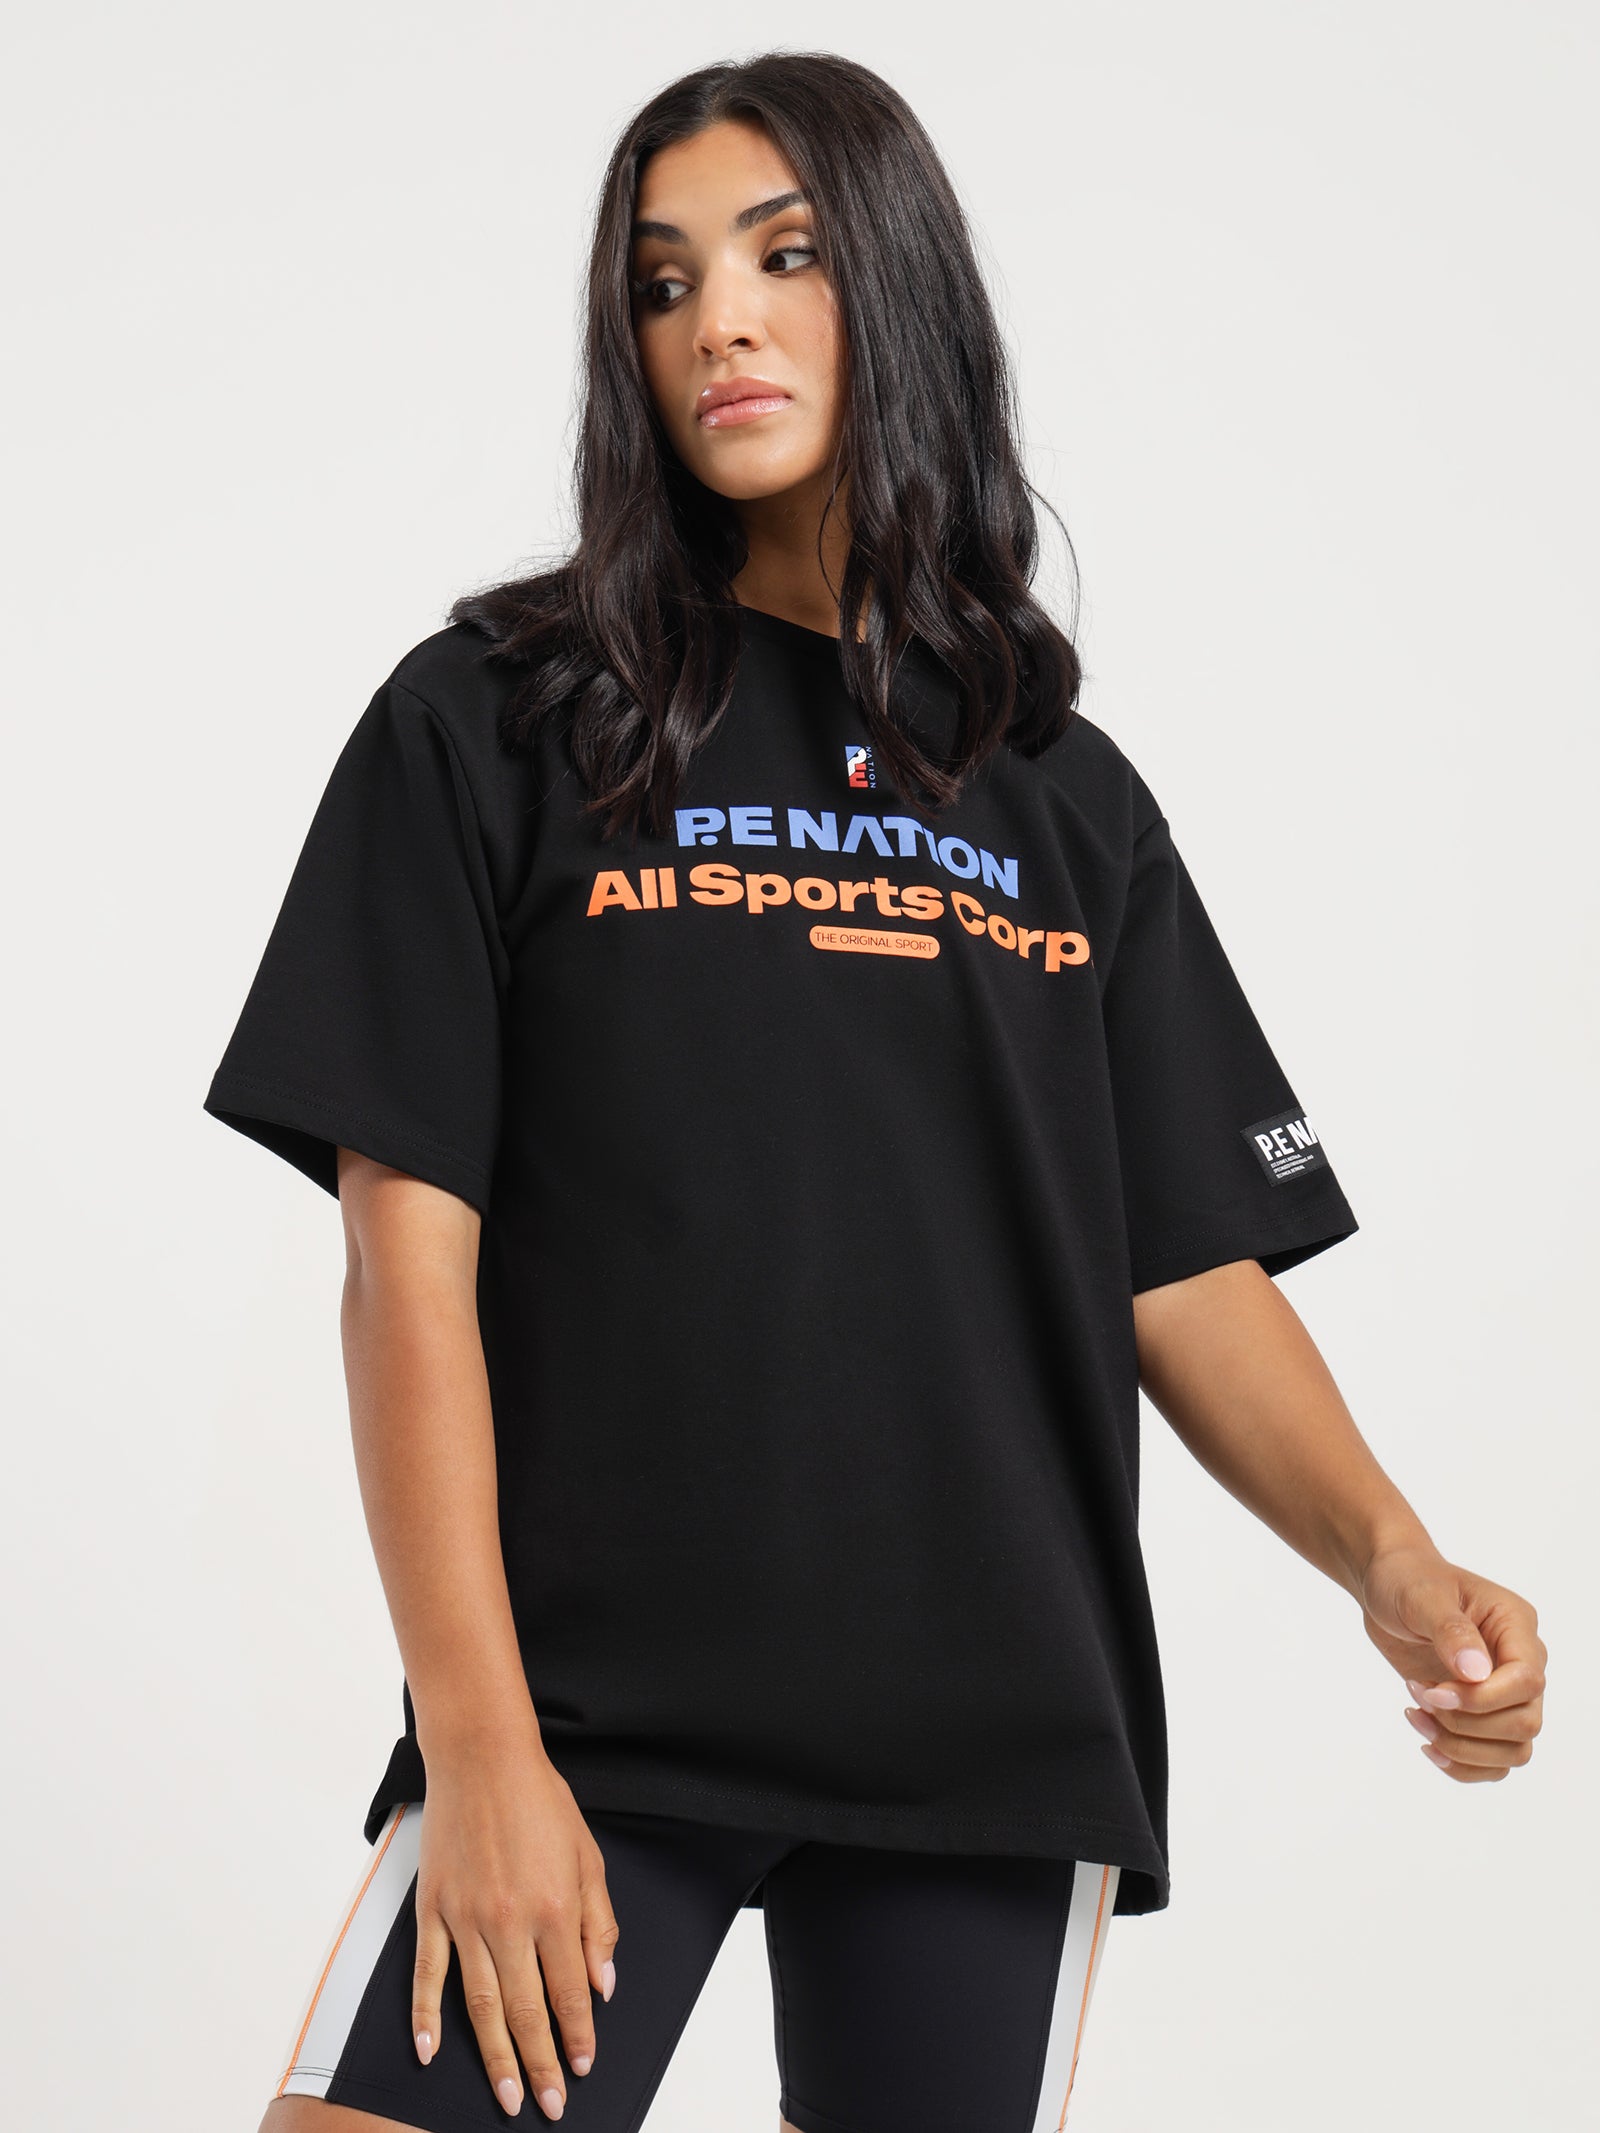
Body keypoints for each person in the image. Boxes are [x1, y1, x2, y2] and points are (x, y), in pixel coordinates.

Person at [205, 51, 1546, 2133]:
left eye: (785, 256)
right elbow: (407, 1257)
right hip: (591, 1715)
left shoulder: (1060, 792)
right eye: (663, 283)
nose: (716, 324)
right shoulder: (497, 720)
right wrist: (476, 1743)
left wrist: (1391, 1555)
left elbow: (1179, 1259)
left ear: (898, 285)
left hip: (985, 1732)